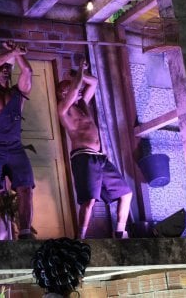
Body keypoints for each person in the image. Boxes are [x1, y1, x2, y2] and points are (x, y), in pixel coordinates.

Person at [56, 59, 132, 239]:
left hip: (100, 158)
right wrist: (78, 76)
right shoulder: (63, 109)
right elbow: (75, 89)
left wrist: (78, 73)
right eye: (71, 89)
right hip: (83, 158)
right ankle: (80, 238)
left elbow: (94, 82)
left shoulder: (83, 104)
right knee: (89, 200)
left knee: (126, 193)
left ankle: (120, 232)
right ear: (63, 93)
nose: (78, 91)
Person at [0, 41, 35, 240]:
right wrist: (10, 52)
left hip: (15, 146)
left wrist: (18, 54)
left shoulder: (16, 94)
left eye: (8, 68)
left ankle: (26, 233)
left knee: (25, 187)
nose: (5, 70)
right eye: (2, 67)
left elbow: (27, 71)